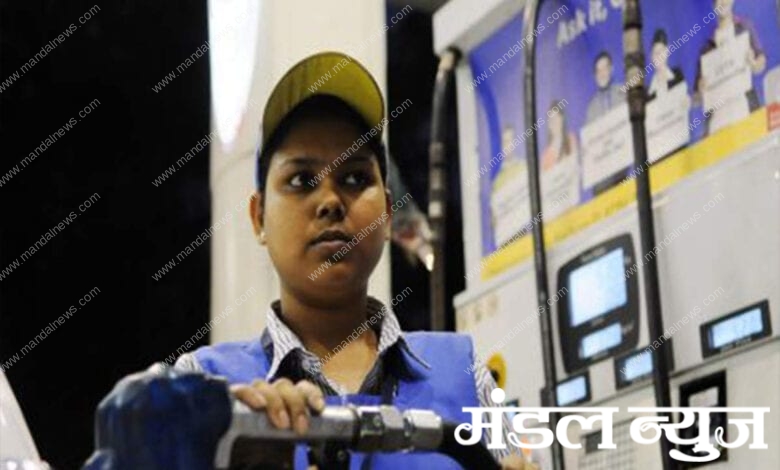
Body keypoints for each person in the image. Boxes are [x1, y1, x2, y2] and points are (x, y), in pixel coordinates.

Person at [166, 52, 530, 470]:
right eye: (301, 180)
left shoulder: (466, 376)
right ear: (258, 217)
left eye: (355, 178)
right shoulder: (202, 388)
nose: (330, 202)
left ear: (389, 213)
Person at [695, 0, 766, 133]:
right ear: (713, 6)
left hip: (743, 109)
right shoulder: (706, 49)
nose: (722, 2)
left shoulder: (744, 28)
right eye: (718, 0)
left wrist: (753, 64)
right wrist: (700, 90)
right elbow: (697, 99)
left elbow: (760, 62)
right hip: (718, 120)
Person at [585, 51, 626, 123]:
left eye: (604, 69)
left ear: (611, 69)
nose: (601, 74)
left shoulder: (624, 91)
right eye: (598, 70)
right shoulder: (592, 107)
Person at [647, 29, 686, 101]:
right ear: (651, 57)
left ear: (667, 52)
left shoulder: (678, 75)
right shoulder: (649, 93)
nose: (659, 56)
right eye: (655, 52)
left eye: (661, 50)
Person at [541, 101, 577, 171]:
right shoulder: (545, 155)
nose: (554, 123)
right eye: (551, 120)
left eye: (556, 118)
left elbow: (575, 166)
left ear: (562, 119)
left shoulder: (570, 139)